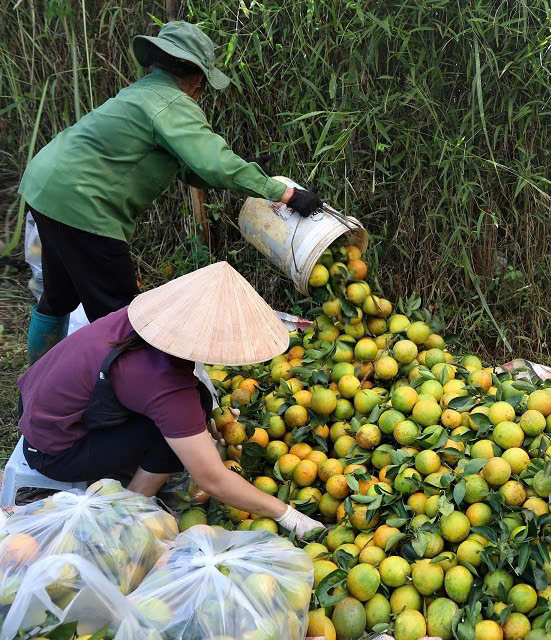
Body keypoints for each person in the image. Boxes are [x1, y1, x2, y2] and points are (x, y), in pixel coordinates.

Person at [18, 21, 323, 364]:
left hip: (47, 188)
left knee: (58, 297)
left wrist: (246, 168)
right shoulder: (172, 102)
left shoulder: (143, 93)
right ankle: (124, 406)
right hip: (83, 205)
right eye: (204, 83)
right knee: (122, 317)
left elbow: (193, 170)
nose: (201, 91)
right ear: (194, 75)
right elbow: (216, 164)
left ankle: (37, 383)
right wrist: (285, 194)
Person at [16, 261, 325, 538]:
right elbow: (212, 478)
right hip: (52, 448)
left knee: (196, 403)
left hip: (39, 402)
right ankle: (134, 506)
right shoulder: (162, 383)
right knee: (171, 435)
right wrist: (285, 514)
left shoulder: (139, 321)